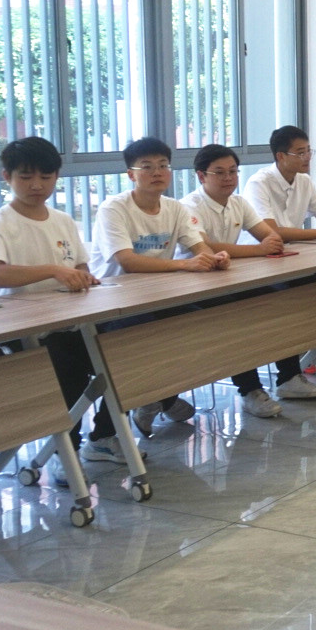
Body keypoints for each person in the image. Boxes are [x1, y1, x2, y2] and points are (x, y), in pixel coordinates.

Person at [83, 136, 230, 462]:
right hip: (110, 304)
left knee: (201, 322)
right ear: (131, 174)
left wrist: (214, 257)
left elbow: (199, 247)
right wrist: (185, 265)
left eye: (163, 165)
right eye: (147, 167)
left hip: (156, 298)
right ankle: (103, 435)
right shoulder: (114, 208)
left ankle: (159, 396)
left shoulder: (175, 208)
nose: (157, 172)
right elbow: (127, 261)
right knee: (143, 346)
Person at [0, 136, 101, 486]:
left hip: (68, 321)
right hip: (21, 330)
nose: (36, 185)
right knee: (69, 370)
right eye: (26, 176)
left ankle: (103, 437)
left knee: (119, 353)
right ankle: (66, 451)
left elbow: (80, 266)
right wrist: (53, 270)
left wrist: (84, 277)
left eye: (46, 177)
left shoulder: (62, 220)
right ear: (7, 177)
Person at [182, 143, 316, 415]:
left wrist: (268, 242)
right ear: (201, 176)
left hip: (228, 278)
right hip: (192, 286)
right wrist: (260, 249)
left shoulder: (238, 202)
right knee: (237, 317)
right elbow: (206, 247)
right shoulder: (189, 206)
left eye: (233, 171)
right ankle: (250, 390)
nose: (228, 178)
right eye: (219, 172)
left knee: (278, 299)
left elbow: (270, 236)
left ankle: (288, 378)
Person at [246, 124, 316, 376]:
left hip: (293, 260)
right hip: (262, 263)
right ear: (280, 156)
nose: (307, 157)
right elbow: (273, 232)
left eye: (309, 151)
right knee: (297, 297)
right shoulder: (258, 183)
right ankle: (304, 353)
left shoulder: (304, 181)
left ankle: (314, 348)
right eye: (300, 153)